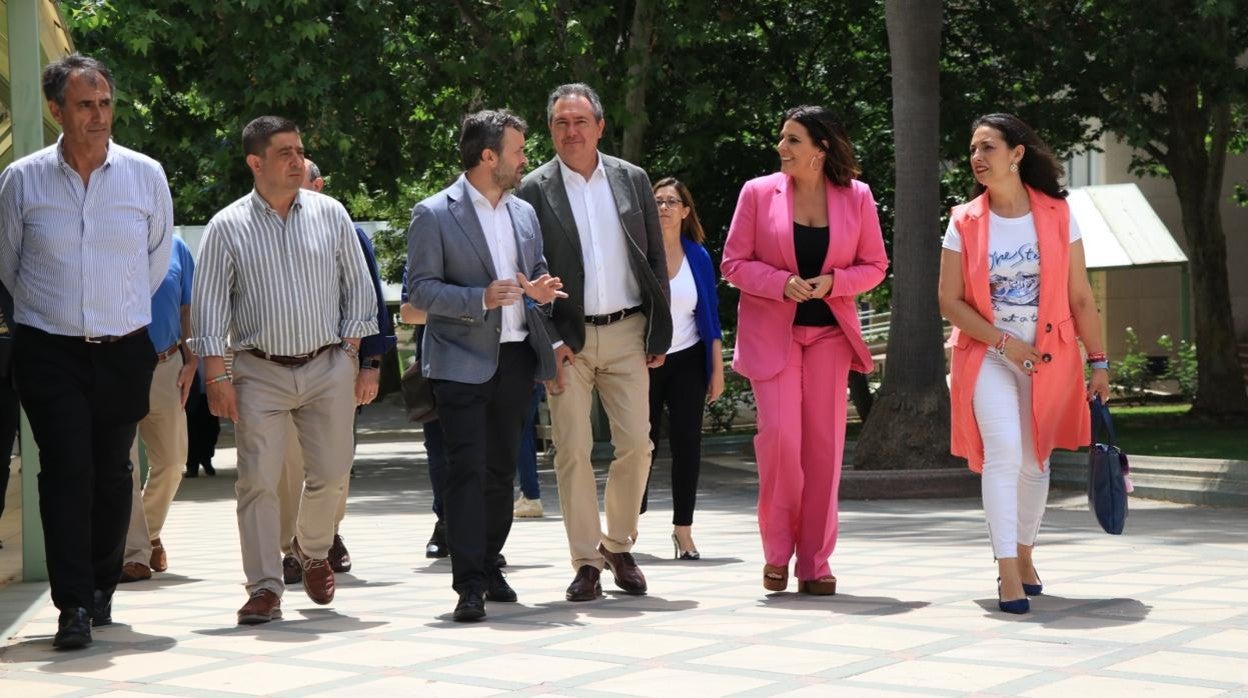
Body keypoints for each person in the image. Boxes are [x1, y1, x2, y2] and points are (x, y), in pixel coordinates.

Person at [0, 53, 173, 649]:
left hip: (123, 347)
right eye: (84, 106)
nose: (99, 117)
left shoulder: (146, 174)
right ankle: (71, 603)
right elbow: (8, 262)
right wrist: (58, 314)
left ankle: (101, 586)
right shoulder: (22, 179)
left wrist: (112, 311)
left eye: (104, 104)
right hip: (49, 349)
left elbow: (155, 259)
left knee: (112, 471)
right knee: (66, 470)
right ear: (56, 111)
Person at [190, 116, 377, 625]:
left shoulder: (331, 214)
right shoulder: (226, 226)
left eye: (299, 151)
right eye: (285, 153)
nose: (298, 161)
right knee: (257, 481)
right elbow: (208, 307)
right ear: (256, 163)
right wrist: (216, 375)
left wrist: (352, 351)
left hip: (327, 365)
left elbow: (358, 288)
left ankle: (312, 549)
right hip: (259, 371)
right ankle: (265, 587)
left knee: (334, 471)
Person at [938, 113, 1108, 615]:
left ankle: (1027, 555)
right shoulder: (963, 220)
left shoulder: (1058, 214)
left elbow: (1080, 295)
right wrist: (1003, 342)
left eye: (988, 147)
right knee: (1005, 452)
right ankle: (1007, 570)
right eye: (973, 149)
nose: (977, 157)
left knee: (1036, 462)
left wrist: (1099, 363)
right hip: (988, 353)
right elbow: (949, 301)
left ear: (1017, 154)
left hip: (1051, 358)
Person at [721, 105, 888, 596]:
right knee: (779, 442)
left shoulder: (856, 197)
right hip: (774, 336)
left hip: (831, 337)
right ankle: (776, 554)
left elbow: (876, 265)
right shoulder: (757, 192)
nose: (782, 148)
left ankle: (815, 562)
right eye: (782, 138)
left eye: (793, 139)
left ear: (821, 149)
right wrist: (781, 283)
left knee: (824, 451)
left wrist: (835, 281)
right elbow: (733, 263)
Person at [515, 83, 671, 602]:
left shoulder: (633, 179)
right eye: (561, 123)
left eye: (580, 121)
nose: (571, 131)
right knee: (573, 450)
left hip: (628, 331)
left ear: (600, 127)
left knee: (637, 445)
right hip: (568, 339)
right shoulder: (533, 190)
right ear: (551, 131)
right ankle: (585, 561)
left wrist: (659, 329)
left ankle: (617, 544)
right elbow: (524, 272)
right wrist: (547, 341)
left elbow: (653, 262)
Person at [406, 109, 562, 621]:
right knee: (466, 469)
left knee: (500, 471)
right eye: (518, 150)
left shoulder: (523, 212)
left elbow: (535, 273)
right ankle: (468, 582)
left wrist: (538, 291)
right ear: (488, 155)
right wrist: (480, 297)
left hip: (517, 357)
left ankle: (490, 562)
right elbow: (420, 291)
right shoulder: (433, 213)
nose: (525, 160)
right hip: (459, 361)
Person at [278, 159, 397, 584]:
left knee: (335, 460)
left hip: (338, 365)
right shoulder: (268, 231)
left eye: (300, 180)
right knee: (289, 462)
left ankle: (326, 535)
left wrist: (370, 365)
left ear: (319, 184)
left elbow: (372, 305)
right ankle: (295, 547)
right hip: (280, 366)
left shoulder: (347, 231)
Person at [638, 178, 724, 560]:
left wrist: (716, 370)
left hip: (689, 358)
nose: (665, 207)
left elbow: (710, 319)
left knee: (688, 443)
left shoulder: (699, 257)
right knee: (641, 445)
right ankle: (628, 527)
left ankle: (683, 531)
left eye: (673, 201)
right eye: (658, 201)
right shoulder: (639, 253)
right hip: (644, 359)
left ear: (686, 211)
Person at [120, 236, 198, 583]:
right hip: (116, 364)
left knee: (173, 461)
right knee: (127, 466)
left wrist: (192, 359)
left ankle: (147, 532)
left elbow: (188, 308)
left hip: (166, 364)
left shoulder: (177, 247)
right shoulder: (107, 242)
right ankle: (134, 553)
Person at [512, 382, 545, 518]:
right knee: (526, 434)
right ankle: (529, 494)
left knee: (519, 435)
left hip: (520, 379)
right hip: (534, 379)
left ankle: (531, 496)